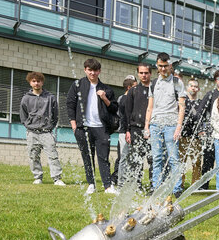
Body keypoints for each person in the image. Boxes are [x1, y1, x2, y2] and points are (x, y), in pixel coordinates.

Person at [66, 58, 119, 195]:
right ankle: (91, 184)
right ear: (85, 70)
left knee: (103, 157)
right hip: (83, 127)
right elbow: (70, 104)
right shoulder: (77, 85)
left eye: (95, 70)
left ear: (99, 71)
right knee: (87, 157)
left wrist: (105, 98)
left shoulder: (106, 88)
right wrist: (73, 125)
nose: (93, 73)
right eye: (90, 70)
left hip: (101, 127)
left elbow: (114, 108)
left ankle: (108, 186)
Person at [144, 52, 187, 196]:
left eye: (165, 66)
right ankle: (156, 187)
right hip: (155, 124)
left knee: (173, 158)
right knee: (156, 158)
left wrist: (178, 127)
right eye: (160, 66)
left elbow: (182, 107)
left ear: (170, 66)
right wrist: (146, 126)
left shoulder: (177, 82)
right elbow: (150, 107)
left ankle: (177, 188)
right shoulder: (153, 83)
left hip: (171, 124)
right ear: (157, 65)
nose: (163, 69)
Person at [20, 71, 65, 187]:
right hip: (32, 132)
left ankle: (57, 178)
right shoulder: (26, 98)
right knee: (33, 155)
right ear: (30, 82)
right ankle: (37, 177)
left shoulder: (50, 97)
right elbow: (23, 116)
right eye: (34, 81)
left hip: (46, 132)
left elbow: (55, 115)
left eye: (38, 81)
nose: (36, 83)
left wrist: (50, 126)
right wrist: (28, 126)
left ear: (42, 82)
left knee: (53, 155)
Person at [123, 64, 154, 191]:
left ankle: (154, 185)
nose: (143, 75)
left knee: (153, 159)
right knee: (136, 159)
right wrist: (127, 130)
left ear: (150, 73)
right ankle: (137, 185)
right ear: (138, 74)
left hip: (152, 129)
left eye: (146, 73)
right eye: (141, 73)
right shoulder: (133, 91)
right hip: (135, 129)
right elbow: (127, 112)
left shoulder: (155, 89)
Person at [199, 70, 219, 188]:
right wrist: (201, 128)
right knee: (208, 160)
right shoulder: (210, 94)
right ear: (215, 80)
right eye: (218, 78)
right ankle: (203, 186)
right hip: (212, 133)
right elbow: (200, 112)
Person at [179, 78, 205, 186]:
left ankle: (195, 186)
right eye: (191, 86)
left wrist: (202, 130)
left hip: (196, 138)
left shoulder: (200, 103)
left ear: (198, 89)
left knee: (197, 162)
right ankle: (180, 184)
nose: (193, 88)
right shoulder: (183, 102)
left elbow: (203, 119)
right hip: (183, 136)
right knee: (181, 162)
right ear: (187, 87)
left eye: (195, 86)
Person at [112, 75, 136, 188]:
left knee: (126, 157)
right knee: (124, 157)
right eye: (135, 87)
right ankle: (120, 182)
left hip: (125, 131)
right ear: (129, 87)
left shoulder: (121, 98)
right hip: (125, 132)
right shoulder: (126, 100)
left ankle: (125, 181)